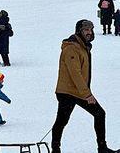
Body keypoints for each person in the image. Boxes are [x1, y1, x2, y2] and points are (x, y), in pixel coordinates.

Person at [51, 20, 119, 153]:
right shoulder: (72, 47)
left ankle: (102, 147)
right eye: (86, 30)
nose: (89, 32)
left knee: (97, 114)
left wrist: (85, 92)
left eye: (90, 30)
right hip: (68, 91)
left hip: (78, 91)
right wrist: (87, 94)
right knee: (63, 121)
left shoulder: (82, 46)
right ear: (79, 31)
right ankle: (55, 149)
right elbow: (75, 73)